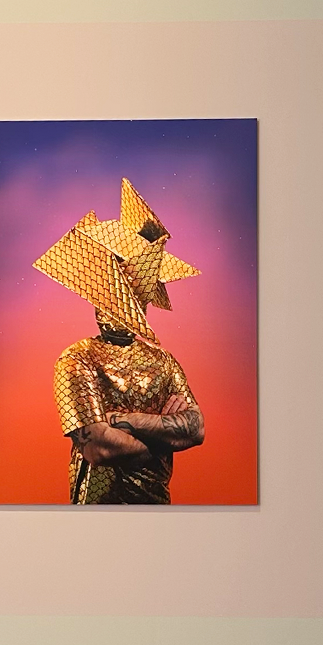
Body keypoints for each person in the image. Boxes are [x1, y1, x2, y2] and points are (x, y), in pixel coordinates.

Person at [34, 179, 207, 504]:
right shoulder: (77, 359)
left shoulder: (163, 361)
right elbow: (98, 448)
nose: (112, 310)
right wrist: (162, 436)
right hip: (97, 510)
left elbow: (196, 428)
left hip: (157, 506)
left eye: (123, 301)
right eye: (107, 299)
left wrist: (118, 421)